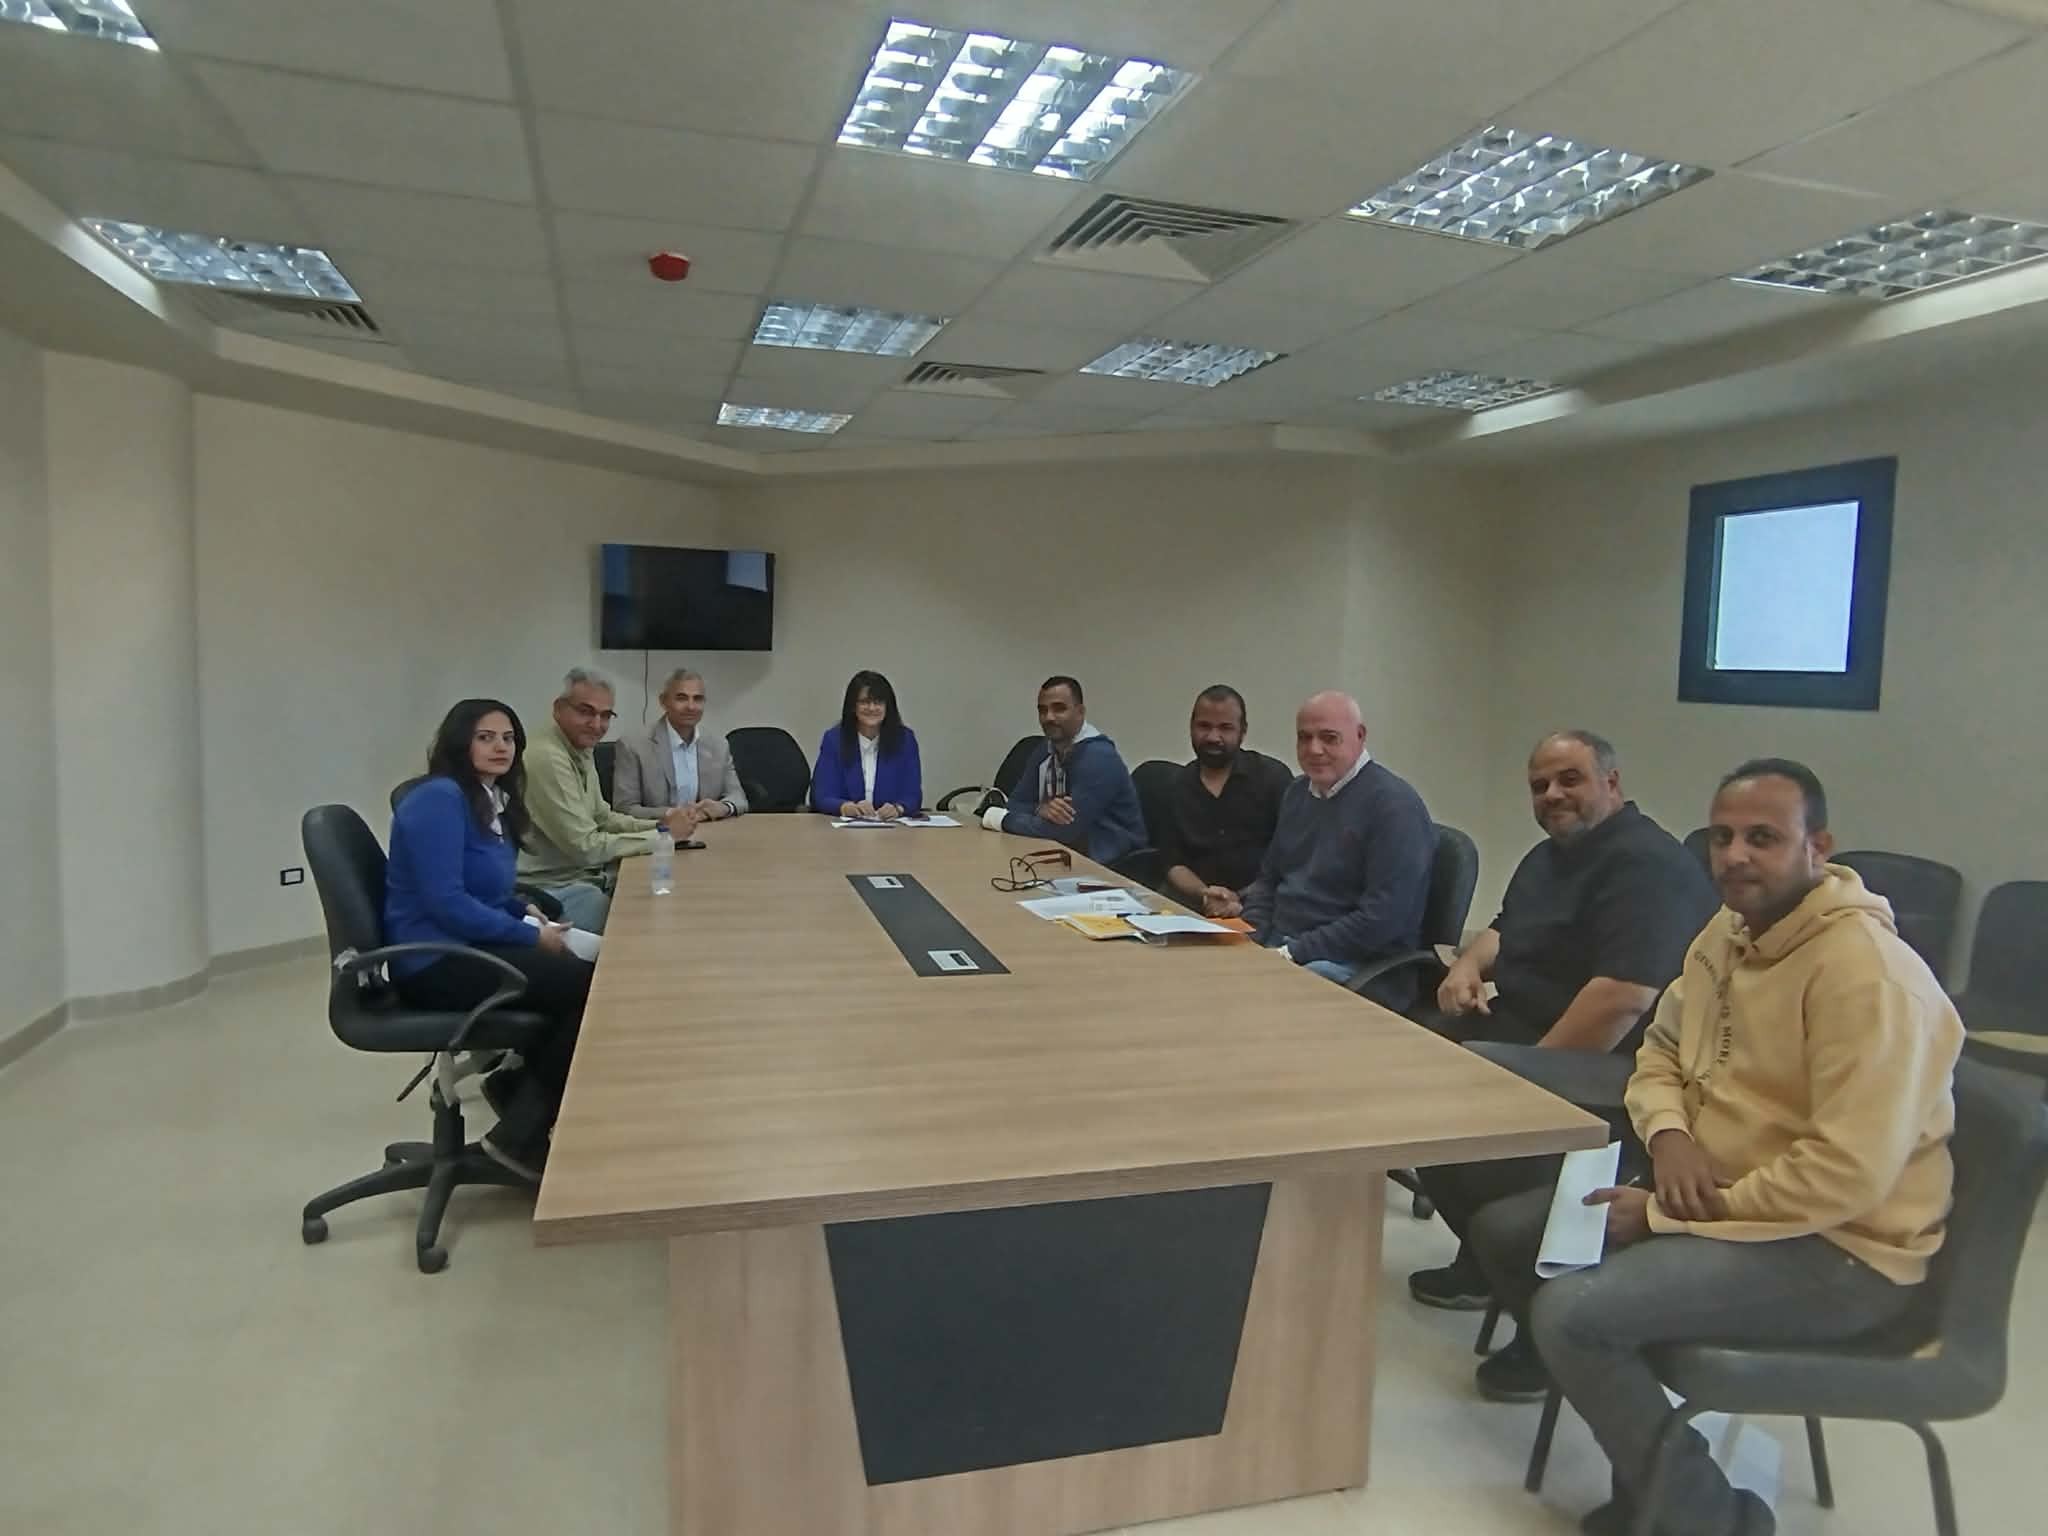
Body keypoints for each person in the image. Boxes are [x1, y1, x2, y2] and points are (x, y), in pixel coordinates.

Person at [1467, 759, 1963, 1536]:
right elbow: (1659, 1051)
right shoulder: (1728, 933)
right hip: (1722, 1198)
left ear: (1817, 847)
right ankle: (1649, 1454)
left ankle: (1710, 1519)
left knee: (1573, 1315)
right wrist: (1668, 1136)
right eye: (1723, 837)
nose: (1734, 856)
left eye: (1763, 838)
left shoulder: (1870, 979)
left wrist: (1663, 1215)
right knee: (1507, 1234)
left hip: (1840, 1250)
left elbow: (1844, 1176)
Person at [1408, 730, 1718, 1344]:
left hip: (1617, 1065)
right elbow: (1504, 929)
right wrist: (1467, 966)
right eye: (1539, 785)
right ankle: (1486, 1263)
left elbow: (1621, 1000)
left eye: (1569, 779)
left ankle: (1540, 1312)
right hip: (1529, 1028)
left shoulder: (1646, 866)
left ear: (1612, 783)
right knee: (1419, 1069)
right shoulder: (1549, 855)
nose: (1552, 794)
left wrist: (1526, 1081)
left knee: (1467, 1103)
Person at [384, 699, 593, 1182]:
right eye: (485, 737)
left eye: (508, 738)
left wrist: (523, 911)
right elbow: (446, 903)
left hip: (465, 945)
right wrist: (528, 937)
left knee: (577, 981)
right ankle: (518, 1136)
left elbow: (483, 889)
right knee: (586, 988)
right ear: (460, 743)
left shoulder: (486, 799)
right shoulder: (439, 798)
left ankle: (516, 1090)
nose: (501, 747)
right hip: (433, 960)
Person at [1239, 691, 1433, 1008]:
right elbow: (1269, 879)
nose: (1314, 749)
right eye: (1304, 738)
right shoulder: (1297, 793)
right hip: (1284, 946)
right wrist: (1251, 934)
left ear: (1360, 736)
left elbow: (1382, 920)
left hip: (1356, 964)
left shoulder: (1394, 807)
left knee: (1258, 1004)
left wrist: (1292, 952)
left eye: (1329, 738)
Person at [521, 667, 696, 932]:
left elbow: (602, 818)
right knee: (649, 925)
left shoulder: (579, 744)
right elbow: (586, 847)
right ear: (558, 709)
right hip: (549, 890)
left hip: (586, 876)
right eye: (586, 712)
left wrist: (662, 825)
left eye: (605, 716)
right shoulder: (547, 757)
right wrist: (665, 837)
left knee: (675, 899)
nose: (596, 725)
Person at [1157, 685, 1294, 918]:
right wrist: (1205, 894)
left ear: (1243, 731)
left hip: (1262, 906)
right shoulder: (1176, 785)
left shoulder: (1273, 778)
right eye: (1204, 726)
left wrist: (1240, 899)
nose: (1213, 737)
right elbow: (1173, 863)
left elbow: (1291, 857)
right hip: (1193, 905)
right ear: (1191, 727)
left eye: (1225, 728)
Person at [977, 675, 1145, 864]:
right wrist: (1039, 809)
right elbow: (1015, 804)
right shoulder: (1045, 748)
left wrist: (997, 818)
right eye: (1043, 710)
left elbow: (1063, 831)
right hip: (1061, 849)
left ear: (1080, 712)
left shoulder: (1099, 757)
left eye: (1059, 709)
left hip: (1112, 860)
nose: (1049, 717)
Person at [612, 667, 749, 823]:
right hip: (657, 832)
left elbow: (738, 797)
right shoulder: (633, 745)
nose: (691, 706)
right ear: (663, 701)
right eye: (681, 698)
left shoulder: (718, 746)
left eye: (697, 699)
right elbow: (624, 808)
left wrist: (723, 807)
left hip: (708, 830)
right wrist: (671, 814)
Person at [810, 670, 923, 818]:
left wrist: (898, 808)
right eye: (864, 702)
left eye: (878, 702)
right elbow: (820, 796)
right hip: (845, 828)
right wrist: (844, 807)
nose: (872, 708)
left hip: (892, 828)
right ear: (853, 706)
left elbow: (913, 795)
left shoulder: (905, 740)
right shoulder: (834, 739)